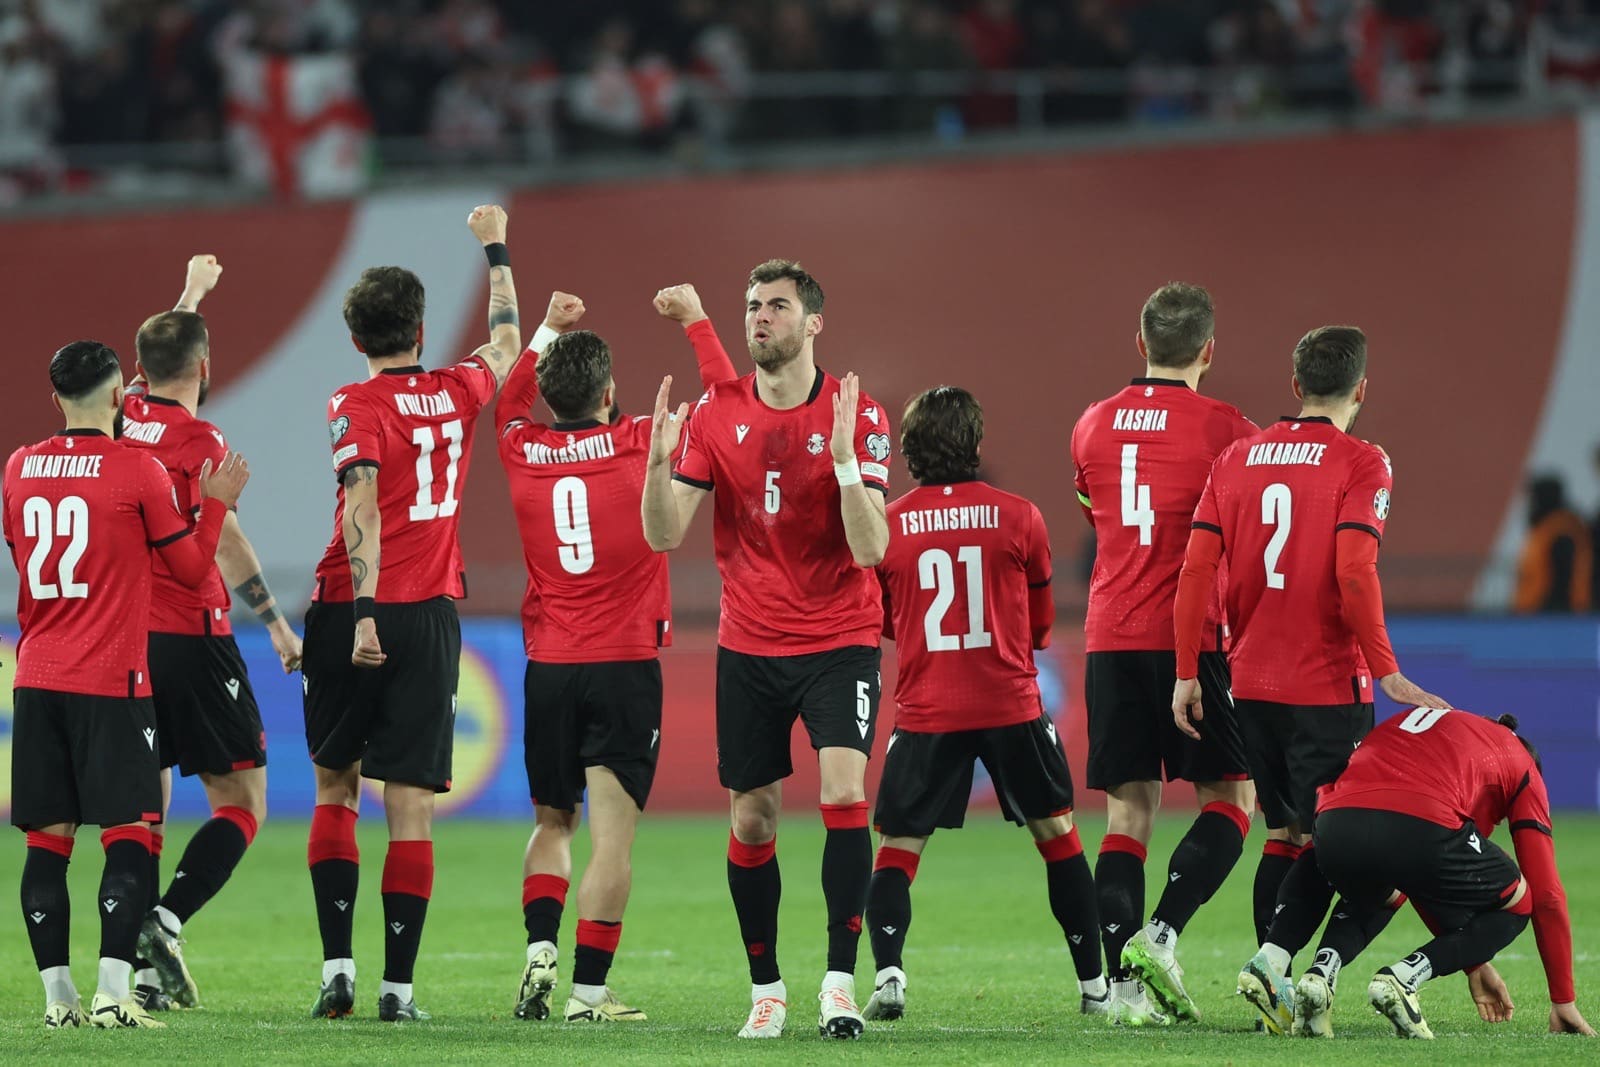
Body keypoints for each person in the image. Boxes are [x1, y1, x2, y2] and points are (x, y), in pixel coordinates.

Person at [1170, 324, 1447, 1033]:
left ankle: (1280, 996)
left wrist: (1185, 673)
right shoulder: (1363, 462)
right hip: (1329, 684)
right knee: (1352, 844)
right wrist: (1388, 671)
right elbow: (1355, 570)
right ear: (1361, 388)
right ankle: (1277, 964)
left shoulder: (1237, 457)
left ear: (1295, 386)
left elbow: (1196, 569)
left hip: (1250, 681)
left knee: (1288, 834)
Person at [642, 259, 891, 1039]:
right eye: (752, 306)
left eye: (777, 307)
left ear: (813, 322)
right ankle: (767, 990)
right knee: (752, 820)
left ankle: (839, 986)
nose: (759, 318)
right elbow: (661, 532)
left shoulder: (861, 414)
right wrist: (655, 465)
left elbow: (871, 547)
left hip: (839, 637)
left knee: (846, 793)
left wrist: (847, 459)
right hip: (748, 643)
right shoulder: (716, 417)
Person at [301, 204, 523, 1023]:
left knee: (335, 784)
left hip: (347, 606)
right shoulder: (459, 390)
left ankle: (337, 970)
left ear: (357, 338)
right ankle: (398, 990)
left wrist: (361, 610)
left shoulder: (353, 404)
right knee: (412, 804)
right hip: (428, 613)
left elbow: (360, 497)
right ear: (423, 330)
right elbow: (505, 338)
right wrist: (495, 246)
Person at [500, 283, 737, 1024]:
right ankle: (588, 993)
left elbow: (507, 401)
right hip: (624, 663)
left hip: (549, 667)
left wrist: (543, 328)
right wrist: (696, 322)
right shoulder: (644, 437)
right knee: (613, 836)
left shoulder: (521, 445)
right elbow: (731, 403)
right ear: (607, 388)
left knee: (552, 821)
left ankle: (541, 946)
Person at [6, 340, 248, 1029]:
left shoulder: (19, 466)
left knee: (46, 843)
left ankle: (60, 1002)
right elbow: (194, 569)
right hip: (112, 678)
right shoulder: (136, 469)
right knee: (130, 834)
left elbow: (22, 554)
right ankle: (115, 994)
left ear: (55, 398)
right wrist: (215, 503)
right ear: (119, 397)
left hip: (38, 675)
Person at [863, 385, 1106, 1023]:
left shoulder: (887, 524)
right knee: (1057, 837)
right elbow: (1044, 629)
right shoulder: (1020, 515)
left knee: (897, 848)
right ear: (974, 441)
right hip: (1010, 703)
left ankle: (889, 974)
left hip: (927, 709)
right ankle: (1094, 988)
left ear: (911, 449)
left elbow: (885, 621)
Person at [1068, 282, 1259, 1025]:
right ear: (1209, 349)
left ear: (1139, 343)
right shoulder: (1230, 431)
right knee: (1232, 800)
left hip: (1110, 636)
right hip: (1194, 640)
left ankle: (1119, 990)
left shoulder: (1090, 426)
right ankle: (1163, 931)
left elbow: (1095, 510)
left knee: (1127, 814)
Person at [119, 254, 304, 1012]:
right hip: (194, 633)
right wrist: (278, 624)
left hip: (125, 638)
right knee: (242, 798)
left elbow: (160, 352)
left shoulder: (122, 412)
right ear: (205, 363)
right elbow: (222, 543)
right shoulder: (201, 444)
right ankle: (166, 918)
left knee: (147, 799)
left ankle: (136, 973)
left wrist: (193, 291)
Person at [1298, 708, 1593, 1040]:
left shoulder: (1451, 729)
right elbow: (1548, 895)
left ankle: (1320, 975)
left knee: (1384, 888)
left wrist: (1474, 962)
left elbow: (1421, 878)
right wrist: (1563, 999)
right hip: (1418, 822)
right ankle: (1403, 978)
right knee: (1519, 901)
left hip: (1330, 824)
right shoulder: (1523, 766)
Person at [1512, 474, 1591, 613]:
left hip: (1549, 614)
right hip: (1534, 611)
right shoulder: (1546, 528)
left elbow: (1562, 580)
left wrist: (1551, 610)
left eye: (1532, 498)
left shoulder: (1560, 530)